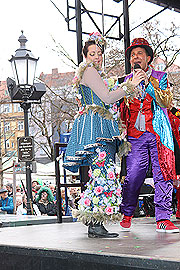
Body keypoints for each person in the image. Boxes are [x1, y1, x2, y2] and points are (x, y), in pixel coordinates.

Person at [63, 32, 144, 238]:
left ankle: (93, 221)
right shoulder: (89, 71)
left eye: (99, 53)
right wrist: (130, 85)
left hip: (96, 124)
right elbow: (107, 98)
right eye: (92, 53)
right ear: (85, 55)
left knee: (99, 172)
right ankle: (96, 223)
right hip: (96, 126)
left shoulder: (91, 72)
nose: (97, 57)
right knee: (103, 170)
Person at [119, 37, 179, 233]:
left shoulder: (160, 76)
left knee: (163, 173)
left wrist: (149, 84)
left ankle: (163, 218)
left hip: (158, 133)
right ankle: (127, 213)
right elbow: (122, 109)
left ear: (148, 59)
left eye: (139, 54)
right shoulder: (126, 81)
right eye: (133, 55)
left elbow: (165, 102)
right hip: (135, 135)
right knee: (134, 174)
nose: (135, 57)